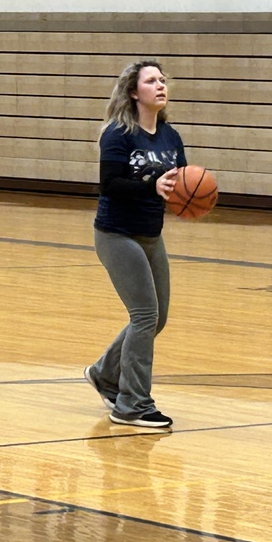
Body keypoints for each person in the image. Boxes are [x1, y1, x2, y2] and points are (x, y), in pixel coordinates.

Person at [83, 60, 185, 430]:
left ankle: (105, 373)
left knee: (157, 318)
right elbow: (109, 184)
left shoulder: (170, 136)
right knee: (144, 316)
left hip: (150, 233)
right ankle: (132, 404)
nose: (160, 85)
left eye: (162, 80)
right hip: (116, 233)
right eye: (151, 81)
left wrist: (188, 196)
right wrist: (151, 186)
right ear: (133, 91)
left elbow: (182, 180)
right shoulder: (118, 133)